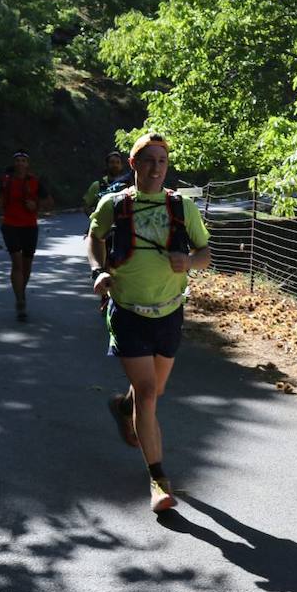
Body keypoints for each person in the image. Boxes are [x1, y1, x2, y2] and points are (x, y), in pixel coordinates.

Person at [87, 133, 211, 512]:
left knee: (153, 392)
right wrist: (98, 270)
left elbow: (205, 252)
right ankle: (159, 479)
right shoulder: (114, 204)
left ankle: (123, 409)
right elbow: (94, 237)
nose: (156, 168)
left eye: (162, 161)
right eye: (148, 160)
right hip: (126, 310)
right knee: (147, 392)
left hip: (169, 310)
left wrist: (189, 262)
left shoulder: (182, 207)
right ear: (133, 164)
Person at [0, 150, 53, 319]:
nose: (20, 163)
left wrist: (35, 205)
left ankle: (21, 291)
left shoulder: (35, 182)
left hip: (29, 227)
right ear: (14, 163)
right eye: (17, 160)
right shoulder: (6, 180)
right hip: (10, 225)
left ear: (28, 164)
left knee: (27, 265)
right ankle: (20, 299)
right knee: (17, 263)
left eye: (23, 161)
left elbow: (49, 202)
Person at [83, 151, 131, 215]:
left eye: (118, 162)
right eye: (112, 162)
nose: (115, 165)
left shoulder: (127, 185)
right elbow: (86, 206)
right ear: (107, 165)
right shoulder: (97, 185)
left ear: (121, 166)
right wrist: (95, 219)